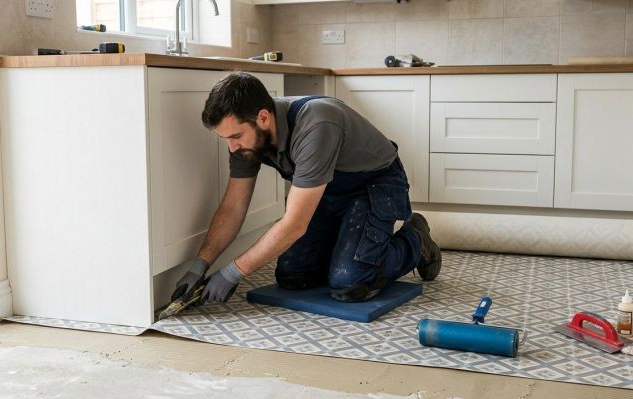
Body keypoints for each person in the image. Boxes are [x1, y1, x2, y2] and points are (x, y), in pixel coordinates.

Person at [172, 72, 441, 304]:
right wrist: (200, 265)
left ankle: (415, 239)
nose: (231, 147)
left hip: (374, 185)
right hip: (326, 192)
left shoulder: (316, 124)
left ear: (263, 118)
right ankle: (346, 246)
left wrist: (232, 272)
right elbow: (233, 207)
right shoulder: (247, 142)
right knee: (293, 276)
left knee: (349, 282)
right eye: (226, 139)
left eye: (235, 137)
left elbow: (294, 225)